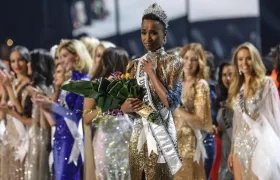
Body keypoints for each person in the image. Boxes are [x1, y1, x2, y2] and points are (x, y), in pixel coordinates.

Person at [121, 3, 183, 180]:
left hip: (161, 133)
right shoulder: (133, 66)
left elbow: (171, 102)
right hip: (139, 135)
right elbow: (126, 109)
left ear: (164, 35)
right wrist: (129, 106)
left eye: (154, 32)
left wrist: (151, 73)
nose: (148, 37)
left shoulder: (174, 63)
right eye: (143, 32)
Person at [33, 39, 92, 180]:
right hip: (59, 138)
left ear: (77, 56)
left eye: (65, 56)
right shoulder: (67, 83)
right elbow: (57, 119)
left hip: (72, 141)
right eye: (60, 57)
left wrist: (50, 105)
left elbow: (77, 116)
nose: (62, 61)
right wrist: (44, 106)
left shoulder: (85, 83)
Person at [227, 42, 280, 180]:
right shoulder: (238, 89)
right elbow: (237, 124)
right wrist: (232, 151)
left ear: (255, 59)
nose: (244, 62)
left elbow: (275, 117)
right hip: (240, 147)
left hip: (260, 147)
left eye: (248, 58)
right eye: (240, 59)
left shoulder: (266, 83)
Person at [173, 43, 213, 180]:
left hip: (188, 146)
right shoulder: (175, 83)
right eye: (186, 58)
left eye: (194, 59)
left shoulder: (200, 85)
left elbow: (201, 121)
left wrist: (177, 109)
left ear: (200, 62)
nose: (189, 63)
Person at [215, 62, 234, 180]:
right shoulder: (223, 99)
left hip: (237, 151)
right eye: (224, 75)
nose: (227, 78)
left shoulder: (241, 97)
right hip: (225, 150)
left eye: (230, 74)